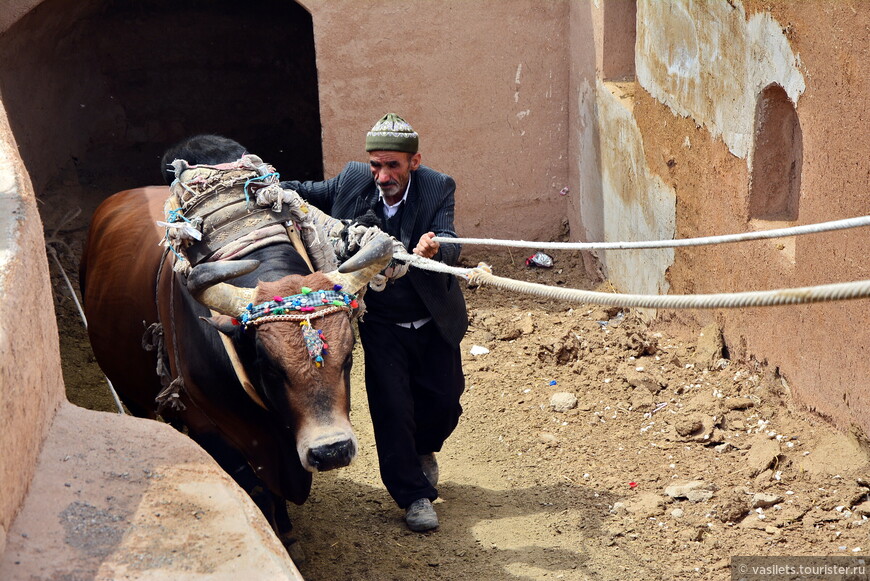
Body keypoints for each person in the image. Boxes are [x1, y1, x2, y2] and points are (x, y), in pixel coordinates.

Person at [281, 113, 468, 532]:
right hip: (380, 323)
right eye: (376, 165)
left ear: (414, 162)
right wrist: (263, 184)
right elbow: (302, 194)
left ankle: (424, 449)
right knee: (392, 409)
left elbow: (451, 240)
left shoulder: (438, 186)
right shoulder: (351, 180)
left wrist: (434, 249)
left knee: (444, 403)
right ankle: (414, 496)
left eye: (393, 166)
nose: (382, 176)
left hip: (433, 318)